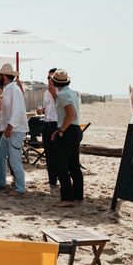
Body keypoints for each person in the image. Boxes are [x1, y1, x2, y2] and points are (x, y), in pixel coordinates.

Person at [0, 64, 29, 197]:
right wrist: (1, 127)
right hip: (8, 129)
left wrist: (9, 127)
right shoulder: (8, 89)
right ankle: (1, 182)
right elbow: (6, 112)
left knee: (14, 160)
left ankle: (20, 188)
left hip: (15, 130)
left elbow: (18, 111)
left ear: (5, 76)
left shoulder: (15, 90)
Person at [50, 69, 83, 208]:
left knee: (61, 165)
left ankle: (67, 198)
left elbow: (70, 115)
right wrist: (59, 130)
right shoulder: (71, 93)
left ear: (54, 82)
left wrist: (62, 130)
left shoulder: (63, 95)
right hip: (74, 130)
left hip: (69, 131)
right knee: (74, 164)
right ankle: (77, 195)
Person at [37, 68, 59, 187]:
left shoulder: (61, 92)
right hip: (47, 123)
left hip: (57, 125)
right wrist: (41, 110)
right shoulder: (46, 92)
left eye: (51, 78)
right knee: (49, 154)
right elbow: (47, 108)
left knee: (57, 154)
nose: (49, 80)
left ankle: (60, 177)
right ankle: (52, 180)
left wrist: (53, 92)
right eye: (48, 78)